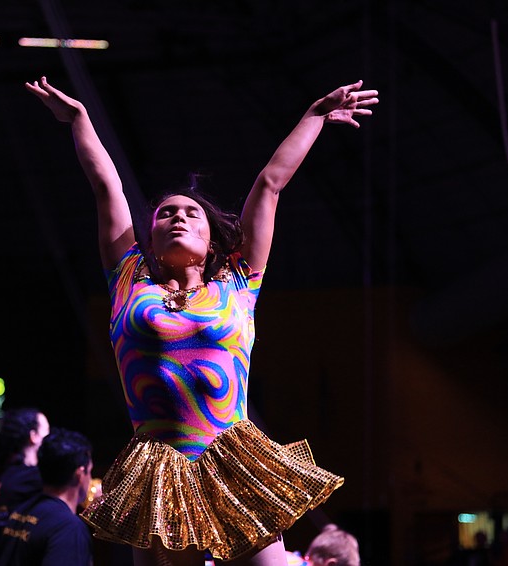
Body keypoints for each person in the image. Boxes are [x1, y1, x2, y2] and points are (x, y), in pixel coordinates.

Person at [25, 74, 378, 565]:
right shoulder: (128, 278)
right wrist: (80, 120)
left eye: (192, 213)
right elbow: (106, 186)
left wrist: (314, 117)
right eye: (165, 213)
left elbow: (270, 184)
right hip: (158, 472)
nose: (178, 217)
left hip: (233, 459)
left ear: (212, 242)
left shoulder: (237, 282)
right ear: (149, 238)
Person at [0, 428, 94, 566]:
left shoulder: (19, 512)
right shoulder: (69, 528)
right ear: (79, 474)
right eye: (90, 472)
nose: (90, 479)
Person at [0, 408, 50, 540]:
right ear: (33, 436)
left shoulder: (12, 473)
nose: (51, 437)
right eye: (47, 431)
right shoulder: (31, 478)